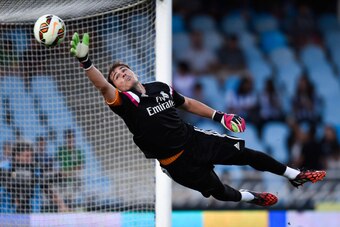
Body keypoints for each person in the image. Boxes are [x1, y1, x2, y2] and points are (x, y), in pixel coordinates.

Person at [69, 32, 326, 207]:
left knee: (246, 153)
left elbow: (188, 103)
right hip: (176, 164)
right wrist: (86, 62)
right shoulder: (125, 103)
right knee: (220, 192)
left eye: (124, 70)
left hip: (195, 140)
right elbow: (102, 86)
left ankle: (295, 174)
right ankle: (252, 197)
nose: (121, 74)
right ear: (117, 86)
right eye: (116, 76)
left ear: (133, 71)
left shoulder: (160, 87)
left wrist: (219, 116)